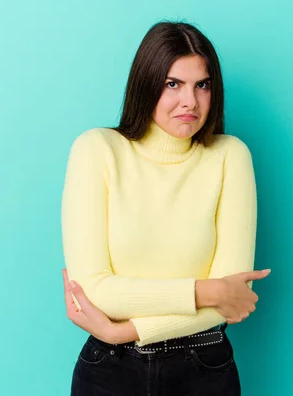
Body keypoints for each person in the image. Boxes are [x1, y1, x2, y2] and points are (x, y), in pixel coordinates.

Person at [60, 20, 271, 396]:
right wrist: (208, 291)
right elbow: (94, 291)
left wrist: (123, 330)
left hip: (203, 367)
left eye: (202, 85)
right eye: (173, 84)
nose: (189, 101)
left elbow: (232, 300)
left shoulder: (229, 156)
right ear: (146, 83)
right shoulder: (98, 150)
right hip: (109, 370)